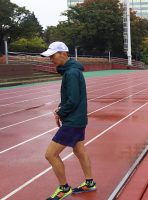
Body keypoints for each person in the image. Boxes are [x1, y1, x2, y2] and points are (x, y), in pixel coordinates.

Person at [41, 41, 96, 200]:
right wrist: (61, 108)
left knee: (50, 155)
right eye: (49, 57)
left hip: (73, 121)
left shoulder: (71, 73)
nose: (51, 59)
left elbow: (73, 100)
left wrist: (61, 111)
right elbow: (71, 98)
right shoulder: (71, 71)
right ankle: (90, 182)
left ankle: (64, 188)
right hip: (77, 119)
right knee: (79, 150)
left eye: (53, 56)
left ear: (63, 53)